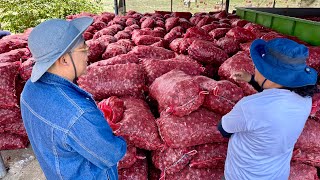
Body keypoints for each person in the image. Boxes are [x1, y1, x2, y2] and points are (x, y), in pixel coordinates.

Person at [20, 17, 127, 180]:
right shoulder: (79, 114)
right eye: (83, 49)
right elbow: (110, 155)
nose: (88, 53)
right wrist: (122, 136)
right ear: (63, 60)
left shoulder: (29, 89)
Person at [217, 38, 318, 180]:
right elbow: (275, 96)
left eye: (257, 67)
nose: (255, 68)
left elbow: (224, 129)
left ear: (270, 76)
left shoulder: (250, 107)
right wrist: (252, 79)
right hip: (277, 175)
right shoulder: (305, 100)